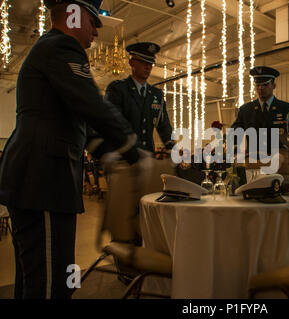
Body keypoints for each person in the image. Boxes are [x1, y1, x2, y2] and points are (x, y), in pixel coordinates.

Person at [0, 0, 139, 299]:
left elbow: (77, 118)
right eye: (93, 21)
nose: (96, 34)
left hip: (34, 178)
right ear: (74, 15)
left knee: (35, 279)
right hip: (44, 179)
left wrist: (105, 151)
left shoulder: (50, 48)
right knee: (54, 283)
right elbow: (92, 104)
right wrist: (131, 147)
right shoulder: (61, 47)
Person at [102, 42, 175, 155]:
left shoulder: (157, 94)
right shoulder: (118, 89)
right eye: (143, 62)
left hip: (148, 159)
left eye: (150, 63)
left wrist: (171, 147)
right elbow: (112, 125)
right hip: (123, 158)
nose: (148, 67)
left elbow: (163, 125)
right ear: (131, 62)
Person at [231, 66, 289, 159]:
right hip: (253, 161)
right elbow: (235, 134)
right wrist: (236, 153)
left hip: (279, 162)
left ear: (273, 85)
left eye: (265, 84)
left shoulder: (287, 109)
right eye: (258, 85)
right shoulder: (245, 110)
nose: (261, 88)